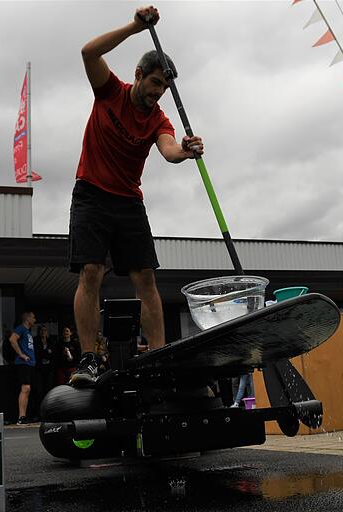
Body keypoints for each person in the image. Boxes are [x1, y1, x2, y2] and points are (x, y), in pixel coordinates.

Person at [68, 5, 204, 387]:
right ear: (139, 75)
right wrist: (133, 26)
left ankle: (159, 356)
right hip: (91, 194)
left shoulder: (159, 118)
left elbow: (168, 151)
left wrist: (186, 149)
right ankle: (89, 360)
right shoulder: (109, 90)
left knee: (145, 278)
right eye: (155, 83)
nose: (157, 93)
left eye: (164, 87)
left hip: (129, 201)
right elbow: (88, 53)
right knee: (91, 271)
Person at [8, 311, 37, 424]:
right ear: (27, 319)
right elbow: (12, 339)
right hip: (23, 364)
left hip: (30, 364)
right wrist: (21, 355)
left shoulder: (28, 332)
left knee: (29, 390)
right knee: (26, 389)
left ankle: (26, 415)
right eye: (33, 318)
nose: (35, 320)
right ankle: (21, 417)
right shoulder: (21, 328)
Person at [34, 324, 55, 402]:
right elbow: (36, 353)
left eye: (45, 330)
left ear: (47, 332)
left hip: (49, 369)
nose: (43, 332)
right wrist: (47, 352)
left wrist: (44, 353)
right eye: (41, 330)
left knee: (48, 389)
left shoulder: (51, 341)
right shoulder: (35, 341)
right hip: (38, 369)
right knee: (39, 390)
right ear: (38, 332)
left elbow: (53, 354)